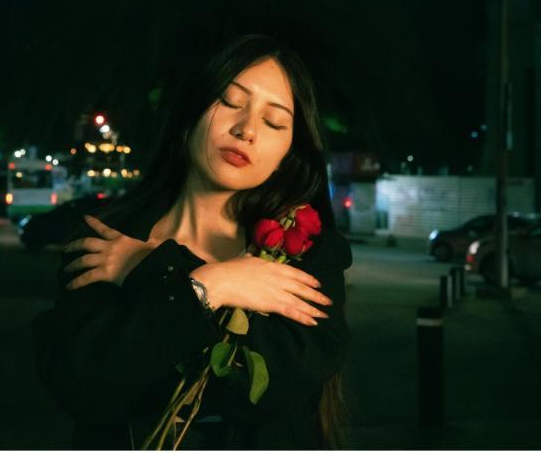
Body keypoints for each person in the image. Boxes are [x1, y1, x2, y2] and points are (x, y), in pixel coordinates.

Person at [33, 34, 352, 449]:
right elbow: (81, 387)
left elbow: (273, 391)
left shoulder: (306, 250)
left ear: (287, 155)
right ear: (190, 113)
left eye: (274, 122)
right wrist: (210, 286)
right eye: (231, 102)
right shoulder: (107, 238)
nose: (246, 130)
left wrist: (154, 268)